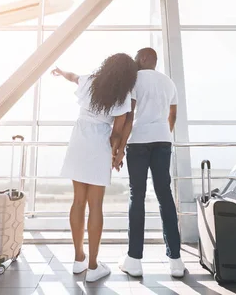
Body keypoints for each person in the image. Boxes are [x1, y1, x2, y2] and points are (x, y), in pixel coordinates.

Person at [52, 53, 138, 283]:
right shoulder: (122, 94)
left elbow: (73, 77)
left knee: (78, 201)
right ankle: (92, 267)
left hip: (78, 139)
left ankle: (78, 258)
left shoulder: (90, 79)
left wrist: (61, 73)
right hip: (99, 143)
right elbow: (117, 132)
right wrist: (116, 154)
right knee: (96, 205)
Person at [114, 47, 186, 278]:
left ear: (145, 58)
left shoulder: (134, 80)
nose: (134, 61)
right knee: (165, 195)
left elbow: (129, 116)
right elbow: (172, 115)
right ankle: (175, 261)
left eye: (137, 57)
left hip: (139, 142)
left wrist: (120, 148)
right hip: (163, 141)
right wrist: (164, 132)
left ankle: (134, 260)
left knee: (137, 196)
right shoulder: (168, 82)